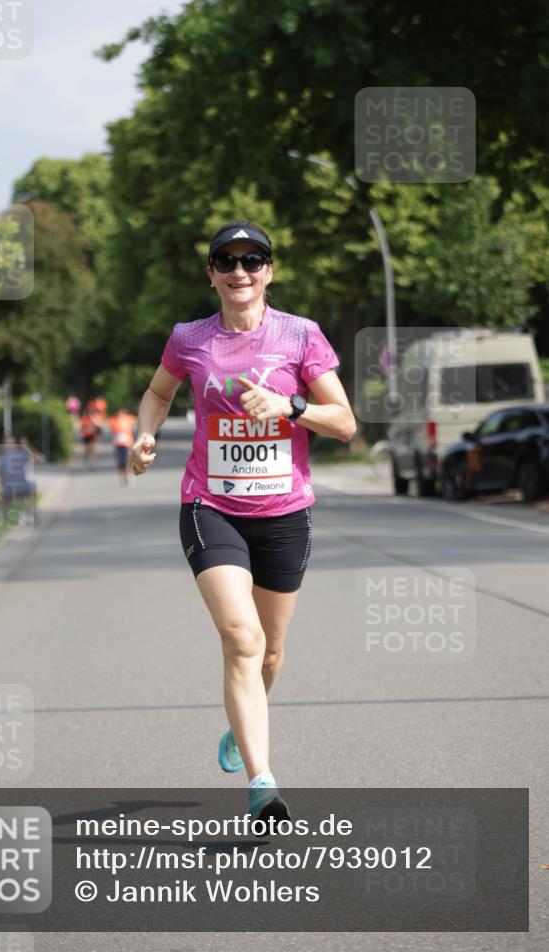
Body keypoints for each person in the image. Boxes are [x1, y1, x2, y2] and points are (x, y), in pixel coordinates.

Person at [130, 220, 356, 829]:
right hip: (211, 506)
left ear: (268, 272)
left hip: (284, 513)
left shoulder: (301, 335)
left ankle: (242, 721)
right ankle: (262, 785)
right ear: (211, 275)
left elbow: (344, 423)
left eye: (252, 260)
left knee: (271, 651)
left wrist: (291, 405)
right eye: (226, 262)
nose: (240, 271)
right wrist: (145, 434)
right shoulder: (189, 338)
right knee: (243, 638)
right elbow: (158, 393)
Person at [0, 435, 40, 506]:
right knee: (33, 485)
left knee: (0, 496)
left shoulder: (0, 458)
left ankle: (1, 510)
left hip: (7, 490)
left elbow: (0, 478)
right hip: (22, 488)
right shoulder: (21, 455)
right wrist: (27, 445)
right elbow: (37, 458)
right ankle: (31, 509)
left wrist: (1, 492)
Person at [107, 406, 138, 485]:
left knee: (128, 461)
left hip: (127, 444)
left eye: (122, 412)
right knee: (120, 462)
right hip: (118, 444)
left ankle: (128, 475)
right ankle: (122, 477)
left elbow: (139, 421)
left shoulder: (129, 419)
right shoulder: (113, 420)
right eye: (119, 413)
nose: (120, 414)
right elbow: (103, 423)